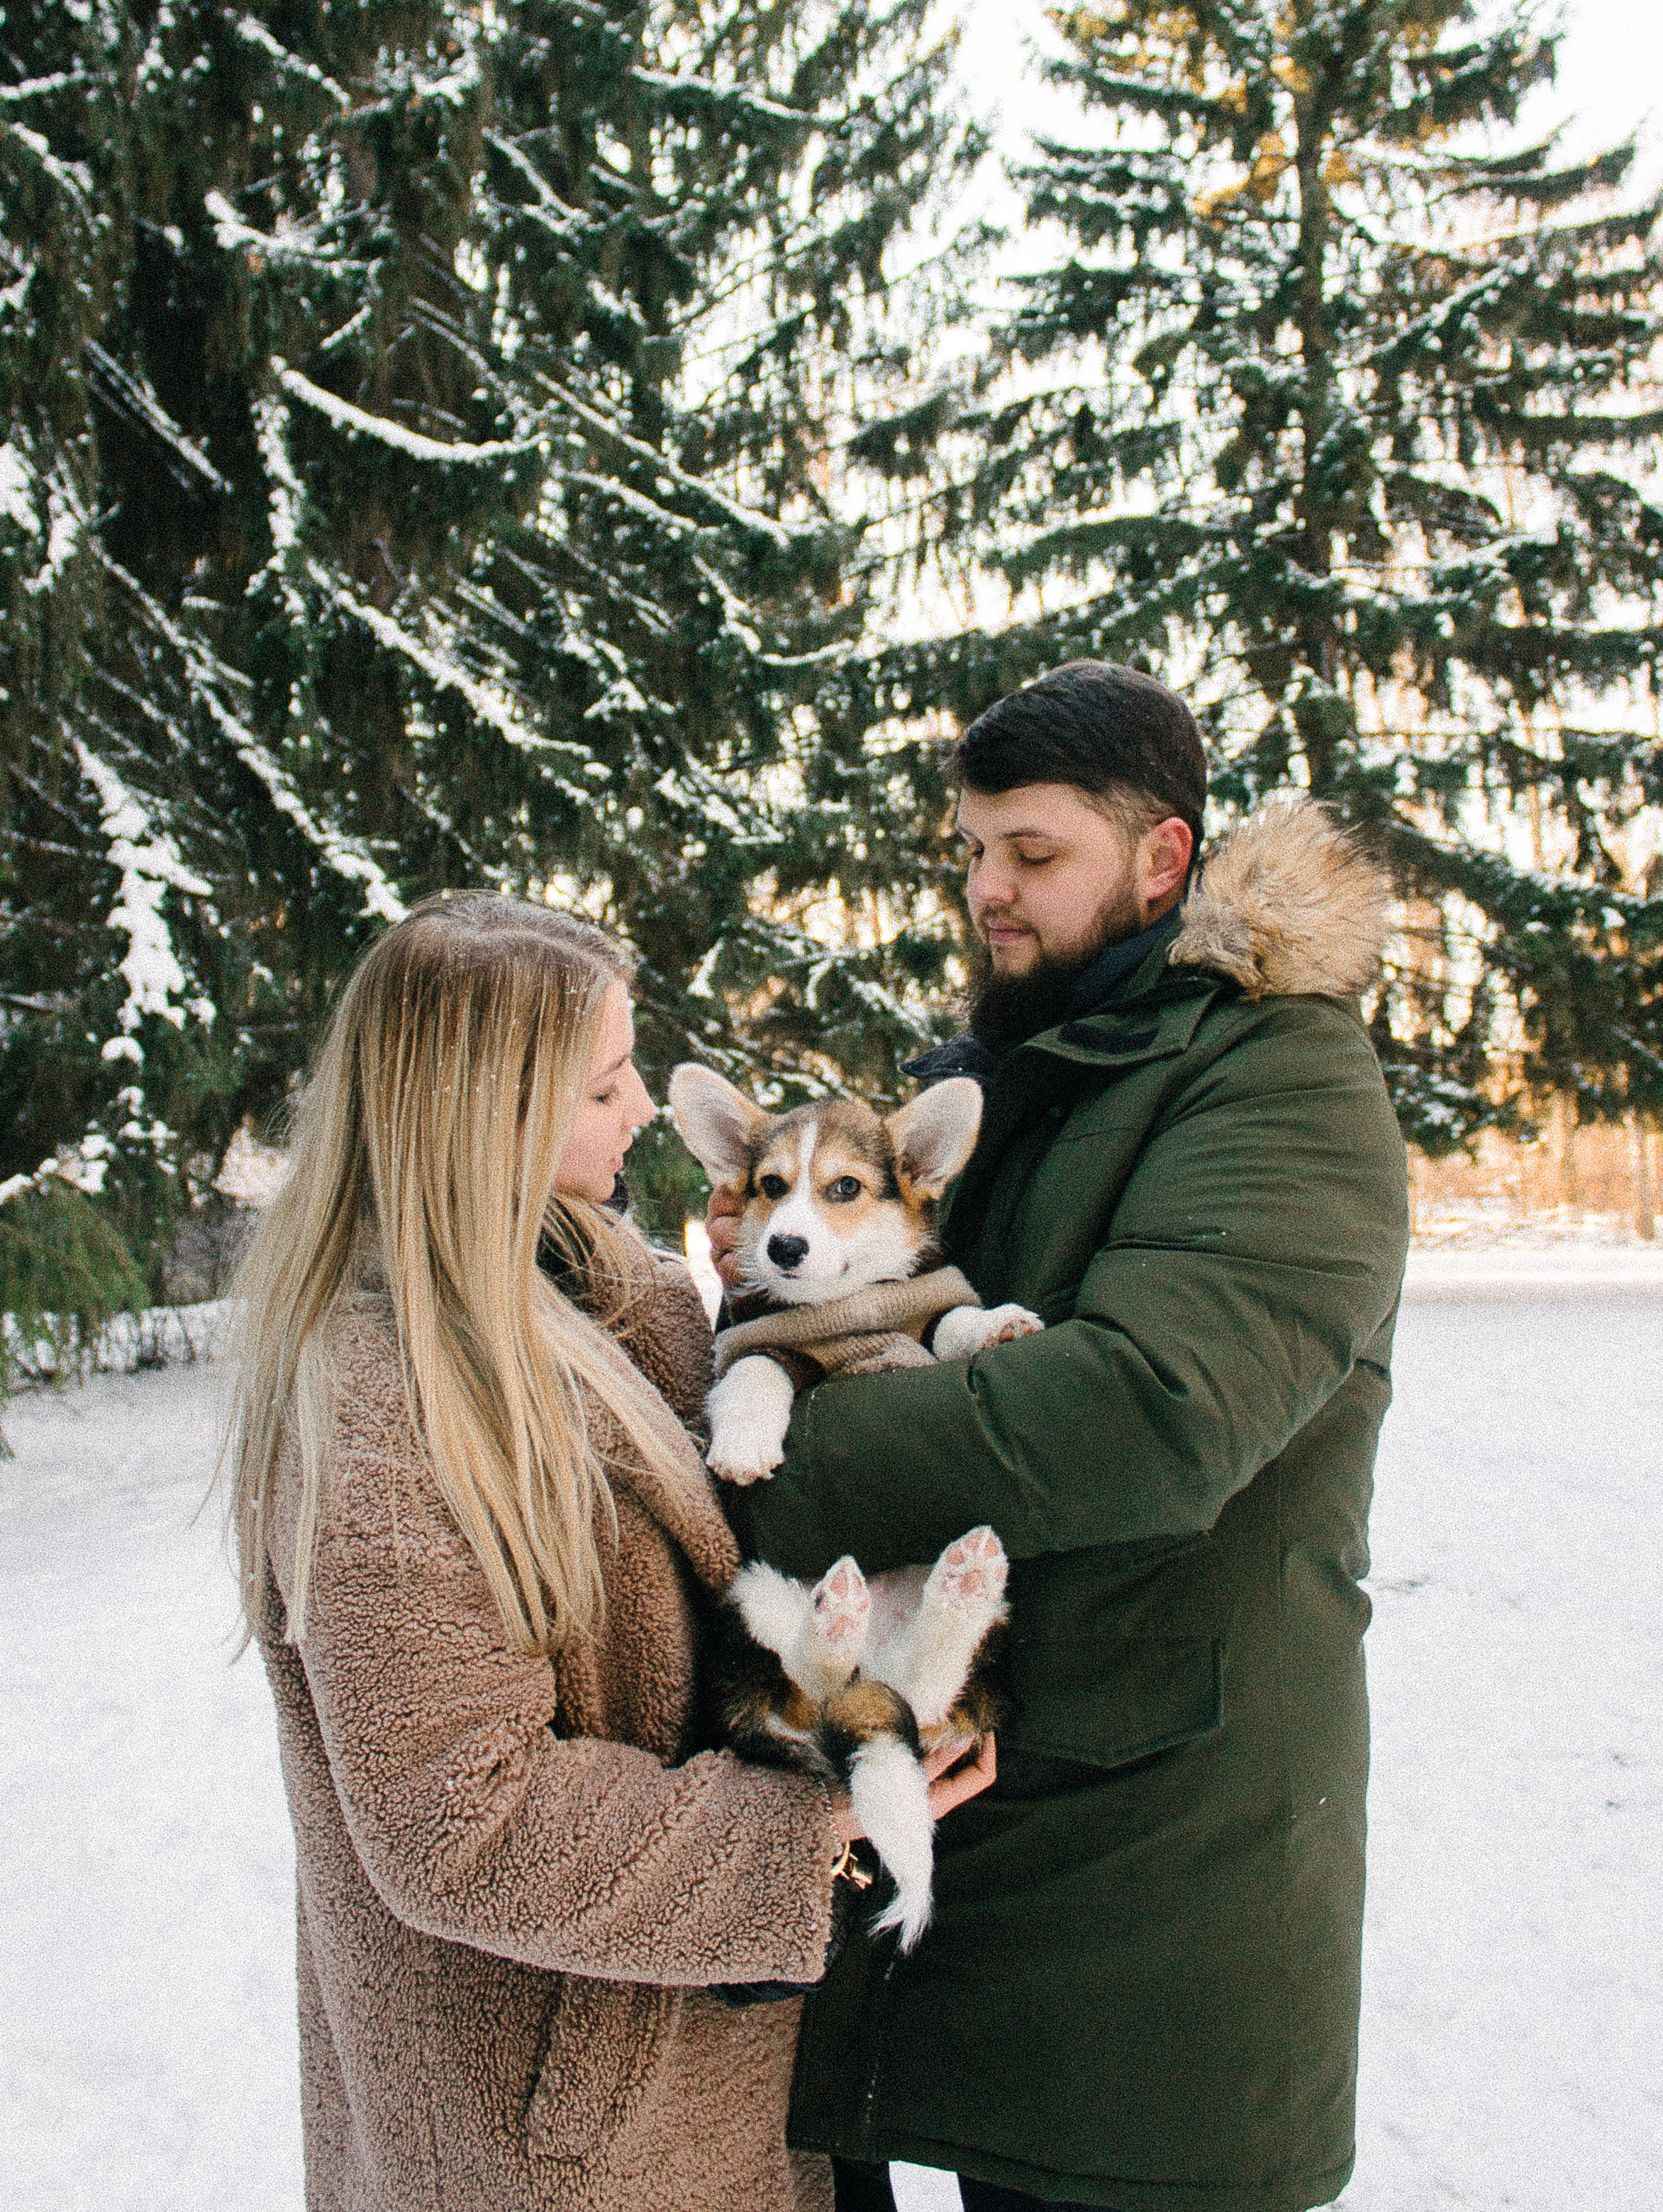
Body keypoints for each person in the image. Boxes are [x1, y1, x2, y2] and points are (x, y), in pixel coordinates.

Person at [710, 661, 1411, 2212]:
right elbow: (906, 1323)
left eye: (1032, 853)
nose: (986, 890)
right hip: (992, 1836)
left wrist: (770, 1484)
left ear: (1163, 858)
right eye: (969, 850)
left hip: (1160, 1886)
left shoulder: (1280, 1074)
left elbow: (1155, 1411)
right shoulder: (1032, 1074)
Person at [226, 891, 992, 2212]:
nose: (644, 1108)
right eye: (605, 1084)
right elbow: (459, 1819)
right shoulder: (379, 1397)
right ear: (489, 1114)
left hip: (714, 2058)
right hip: (558, 2127)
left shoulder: (605, 1296)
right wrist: (807, 1832)